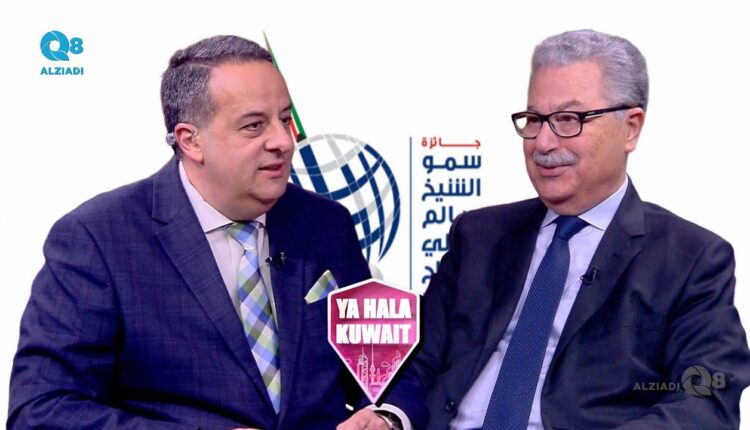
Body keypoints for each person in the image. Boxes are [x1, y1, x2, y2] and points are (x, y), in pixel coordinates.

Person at [8, 35, 426, 430]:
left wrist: (388, 417)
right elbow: (41, 409)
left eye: (285, 119)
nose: (283, 141)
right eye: (254, 126)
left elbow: (390, 370)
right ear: (191, 141)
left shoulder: (326, 224)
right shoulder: (99, 238)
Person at [413, 29, 750, 429]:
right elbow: (417, 362)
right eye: (534, 120)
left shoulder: (691, 258)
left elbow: (706, 400)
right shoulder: (478, 235)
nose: (543, 142)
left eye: (568, 120)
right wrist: (391, 415)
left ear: (631, 127)